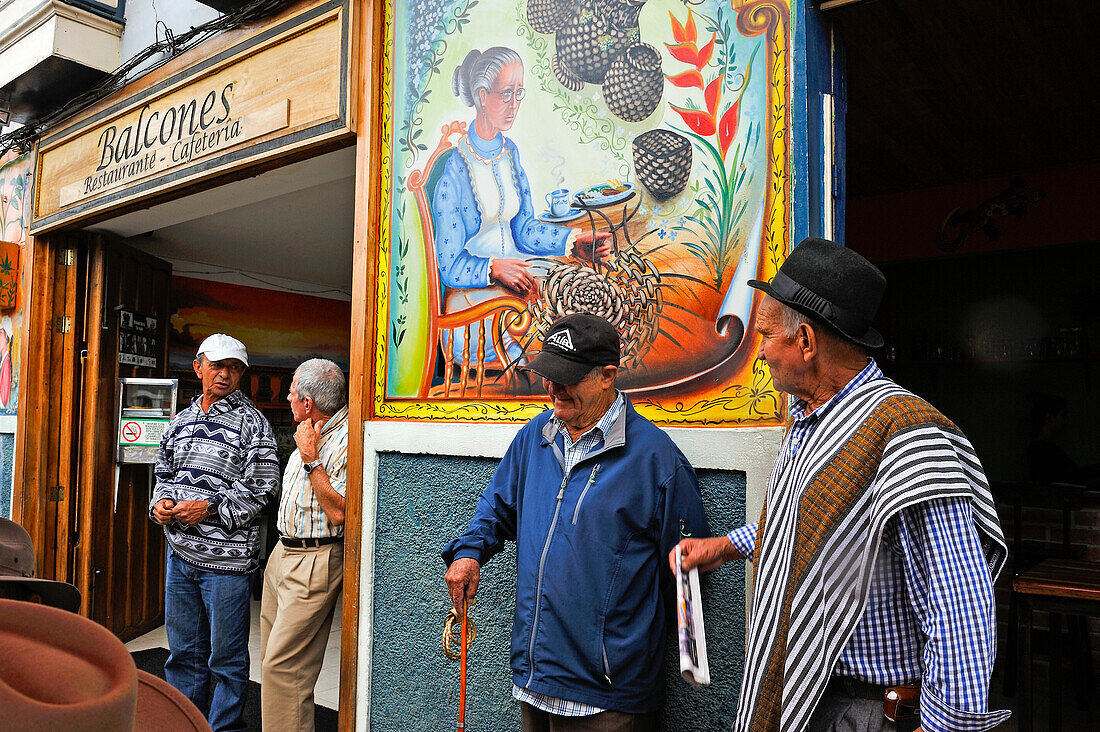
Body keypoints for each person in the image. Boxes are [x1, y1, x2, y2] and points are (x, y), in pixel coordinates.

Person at [672, 238, 1010, 732]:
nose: (760, 351)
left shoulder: (908, 436)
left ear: (806, 341)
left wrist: (945, 727)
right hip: (806, 698)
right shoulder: (809, 421)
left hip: (864, 711)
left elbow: (960, 606)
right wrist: (722, 546)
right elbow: (804, 528)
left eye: (767, 336)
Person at [443, 312, 710, 730]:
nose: (552, 389)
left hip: (608, 699)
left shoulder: (657, 460)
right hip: (535, 681)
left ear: (607, 376)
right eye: (548, 375)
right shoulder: (537, 435)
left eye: (566, 377)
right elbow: (496, 509)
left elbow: (688, 574)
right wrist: (470, 553)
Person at [435, 47, 610, 365]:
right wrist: (494, 268)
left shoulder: (509, 152)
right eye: (506, 94)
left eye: (519, 93)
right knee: (548, 334)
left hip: (516, 281)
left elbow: (525, 229)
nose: (514, 105)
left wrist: (570, 241)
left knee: (576, 290)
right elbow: (448, 265)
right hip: (473, 303)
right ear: (482, 95)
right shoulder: (455, 168)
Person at [150, 333, 280, 732]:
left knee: (226, 659)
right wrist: (160, 505)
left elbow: (263, 489)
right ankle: (186, 724)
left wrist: (208, 508)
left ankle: (223, 728)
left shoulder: (252, 423)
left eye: (234, 368)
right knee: (184, 654)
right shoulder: (182, 420)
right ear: (199, 367)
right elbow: (163, 473)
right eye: (218, 366)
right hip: (180, 557)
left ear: (241, 374)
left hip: (226, 564)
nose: (225, 374)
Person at [260, 358, 349, 732]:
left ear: (308, 402)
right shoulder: (308, 428)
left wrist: (311, 459)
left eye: (292, 392)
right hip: (283, 553)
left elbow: (340, 512)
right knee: (272, 661)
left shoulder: (346, 440)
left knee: (284, 668)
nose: (288, 397)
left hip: (316, 557)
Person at [1025, 391, 1099, 485]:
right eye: (1062, 416)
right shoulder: (1044, 450)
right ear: (1049, 417)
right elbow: (1074, 475)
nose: (1065, 421)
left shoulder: (1038, 448)